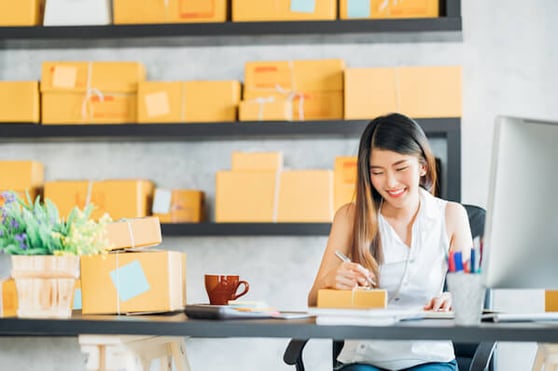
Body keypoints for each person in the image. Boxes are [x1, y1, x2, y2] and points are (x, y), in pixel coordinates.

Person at [308, 113, 472, 371]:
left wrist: (454, 299)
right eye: (377, 172)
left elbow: (470, 297)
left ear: (423, 166)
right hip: (363, 359)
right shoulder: (350, 217)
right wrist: (331, 281)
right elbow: (313, 301)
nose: (390, 182)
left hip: (428, 357)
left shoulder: (451, 215)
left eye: (400, 168)